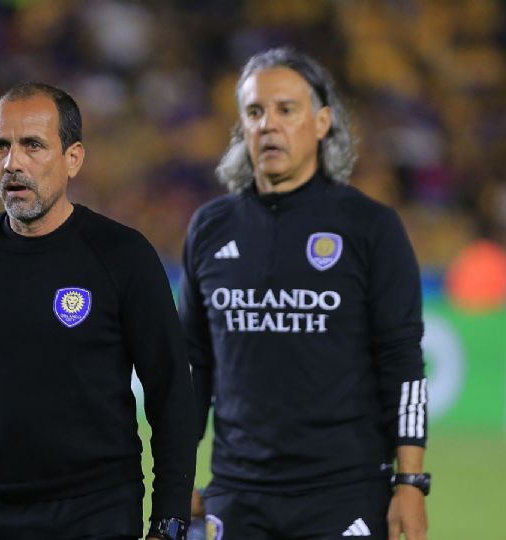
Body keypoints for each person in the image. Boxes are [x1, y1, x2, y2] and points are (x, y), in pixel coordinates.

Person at [0, 82, 197, 540]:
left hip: (96, 520)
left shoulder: (123, 256)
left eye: (32, 145)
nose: (13, 163)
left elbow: (172, 395)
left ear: (73, 158)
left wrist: (168, 522)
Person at [180, 47, 429, 540]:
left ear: (321, 122)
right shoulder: (210, 228)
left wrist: (411, 483)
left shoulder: (369, 227)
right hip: (238, 493)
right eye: (254, 112)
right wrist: (177, 473)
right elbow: (191, 366)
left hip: (345, 493)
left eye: (285, 110)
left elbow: (403, 362)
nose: (268, 124)